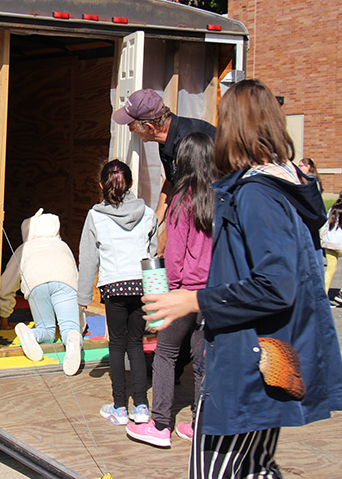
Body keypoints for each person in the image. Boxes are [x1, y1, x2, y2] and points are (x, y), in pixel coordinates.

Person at [141, 79, 342, 477]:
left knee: (215, 471)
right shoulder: (281, 186)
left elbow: (275, 284)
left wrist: (194, 299)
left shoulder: (259, 194)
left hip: (249, 362)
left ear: (233, 127)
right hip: (269, 357)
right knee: (253, 468)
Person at [126, 132, 215, 448]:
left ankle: (160, 424)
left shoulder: (182, 200)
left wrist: (165, 293)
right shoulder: (220, 199)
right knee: (202, 360)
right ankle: (201, 425)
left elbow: (176, 256)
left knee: (165, 354)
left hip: (182, 292)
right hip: (211, 295)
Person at [78, 159, 157, 425]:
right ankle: (142, 407)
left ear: (101, 185)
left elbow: (89, 258)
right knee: (136, 344)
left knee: (116, 345)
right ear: (131, 183)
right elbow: (153, 253)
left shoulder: (95, 216)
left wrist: (83, 297)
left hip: (114, 286)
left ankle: (120, 407)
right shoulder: (147, 213)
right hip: (140, 284)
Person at [112, 89, 216, 227]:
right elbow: (172, 181)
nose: (130, 130)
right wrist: (154, 222)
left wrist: (158, 244)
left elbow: (192, 200)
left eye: (131, 125)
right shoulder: (165, 141)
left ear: (149, 127)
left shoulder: (190, 143)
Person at [1, 208, 82, 376]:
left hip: (36, 284)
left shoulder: (25, 248)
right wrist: (81, 321)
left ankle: (31, 334)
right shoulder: (63, 246)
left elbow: (6, 286)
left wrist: (4, 316)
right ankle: (73, 338)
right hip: (65, 283)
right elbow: (76, 278)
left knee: (47, 331)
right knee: (70, 328)